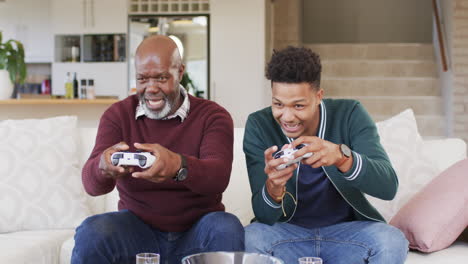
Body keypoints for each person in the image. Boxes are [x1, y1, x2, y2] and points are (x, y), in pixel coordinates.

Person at [72, 35, 244, 264]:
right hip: (136, 231)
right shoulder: (118, 115)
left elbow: (218, 177)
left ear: (180, 72)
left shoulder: (212, 115)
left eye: (162, 78)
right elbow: (91, 186)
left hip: (197, 231)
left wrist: (178, 166)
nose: (151, 88)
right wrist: (103, 167)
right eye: (143, 79)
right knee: (92, 232)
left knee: (227, 227)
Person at [243, 46, 408, 264]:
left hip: (348, 235)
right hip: (287, 235)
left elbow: (387, 187)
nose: (287, 116)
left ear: (318, 96)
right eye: (278, 104)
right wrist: (273, 189)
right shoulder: (259, 125)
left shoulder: (350, 114)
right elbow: (263, 216)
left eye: (299, 105)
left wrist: (342, 157)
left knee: (391, 240)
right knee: (249, 237)